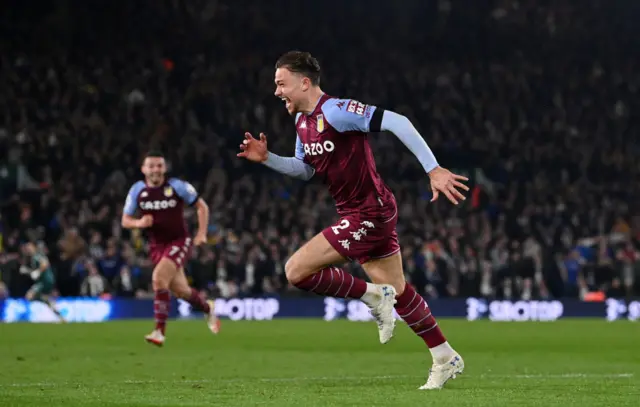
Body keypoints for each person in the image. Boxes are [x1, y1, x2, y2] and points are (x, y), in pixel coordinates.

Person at [238, 51, 468, 389]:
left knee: (296, 271)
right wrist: (268, 158)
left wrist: (432, 169)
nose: (276, 92)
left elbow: (398, 122)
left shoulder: (337, 110)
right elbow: (305, 170)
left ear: (304, 82)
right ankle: (444, 356)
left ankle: (373, 296)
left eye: (281, 84)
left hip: (369, 212)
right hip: (361, 212)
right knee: (401, 294)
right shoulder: (302, 122)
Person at [122, 151, 220, 346]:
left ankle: (159, 331)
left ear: (164, 168)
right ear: (143, 169)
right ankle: (208, 309)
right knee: (182, 291)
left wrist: (201, 233)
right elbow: (125, 220)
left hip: (179, 241)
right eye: (151, 166)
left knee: (158, 278)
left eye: (159, 165)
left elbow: (202, 207)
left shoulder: (176, 186)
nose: (155, 170)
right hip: (157, 246)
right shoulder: (137, 190)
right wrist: (140, 223)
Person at [20, 242, 65, 322]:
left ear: (34, 247)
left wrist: (38, 271)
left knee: (29, 296)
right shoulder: (33, 257)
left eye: (29, 247)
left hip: (45, 281)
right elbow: (35, 274)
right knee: (37, 297)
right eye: (27, 248)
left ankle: (46, 301)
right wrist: (27, 271)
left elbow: (45, 264)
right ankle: (58, 314)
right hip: (45, 280)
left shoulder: (37, 255)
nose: (28, 250)